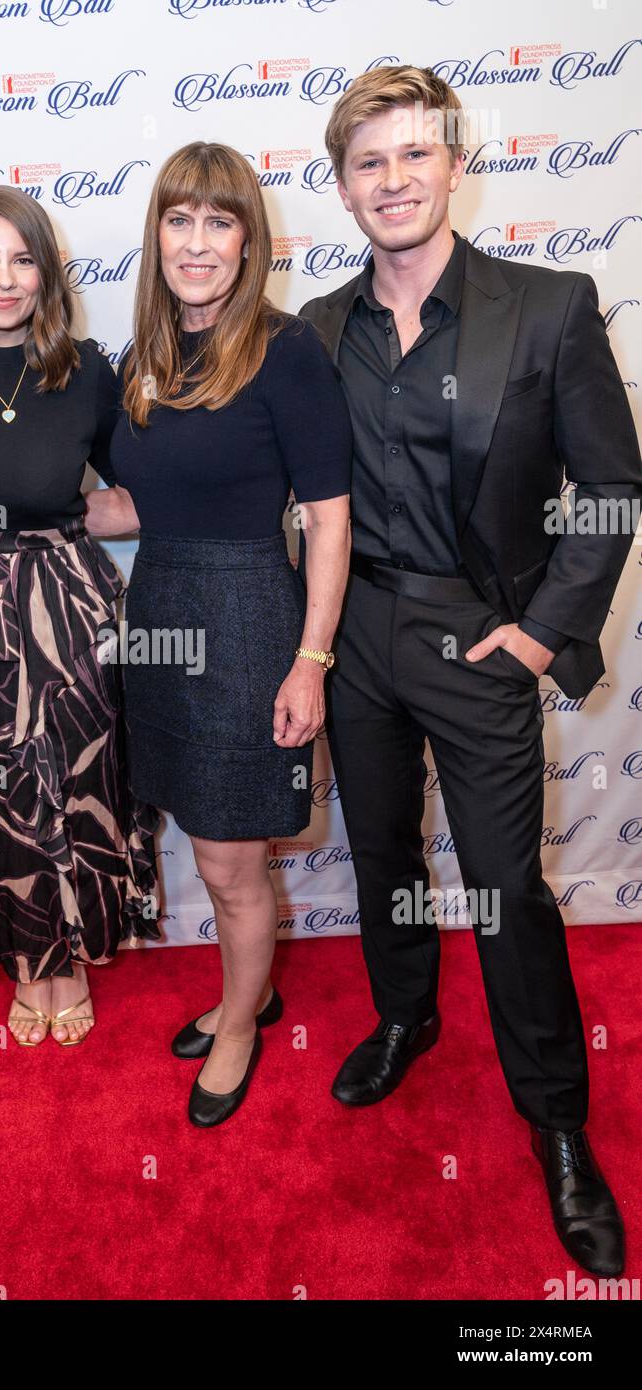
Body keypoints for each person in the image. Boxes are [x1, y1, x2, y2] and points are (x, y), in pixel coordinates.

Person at [299, 66, 642, 1275]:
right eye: (367, 163)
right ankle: (406, 1014)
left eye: (412, 157)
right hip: (358, 639)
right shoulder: (317, 331)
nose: (393, 182)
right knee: (383, 853)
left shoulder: (548, 307)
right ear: (341, 188)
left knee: (505, 887)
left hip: (481, 636)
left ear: (453, 166)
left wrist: (545, 630)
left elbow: (613, 484)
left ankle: (557, 1125)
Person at [87, 142, 352, 1126]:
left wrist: (311, 660)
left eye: (220, 221)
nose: (197, 242)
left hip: (247, 622)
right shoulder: (142, 361)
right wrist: (5, 518)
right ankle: (255, 989)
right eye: (179, 219)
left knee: (236, 858)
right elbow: (131, 504)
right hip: (160, 615)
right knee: (209, 846)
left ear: (249, 242)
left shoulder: (287, 353)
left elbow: (328, 516)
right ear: (156, 233)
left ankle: (240, 1024)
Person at [0, 187, 161, 1047]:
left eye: (22, 258)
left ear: (46, 270)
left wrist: (68, 520)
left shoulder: (83, 367)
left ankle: (68, 961)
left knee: (69, 785)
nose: (3, 279)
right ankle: (25, 958)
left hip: (67, 609)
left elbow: (148, 487)